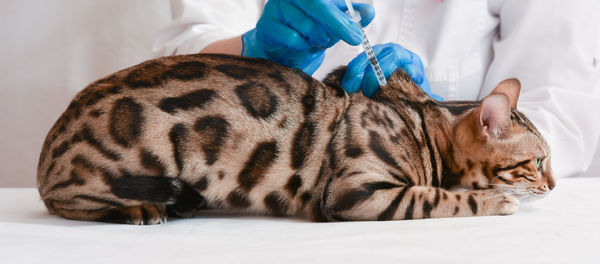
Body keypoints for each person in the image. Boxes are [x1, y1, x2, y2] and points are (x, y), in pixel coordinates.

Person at [154, 0, 600, 178]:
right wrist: (252, 52)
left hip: (452, 234)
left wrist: (449, 137)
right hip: (256, 204)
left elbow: (560, 102)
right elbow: (171, 61)